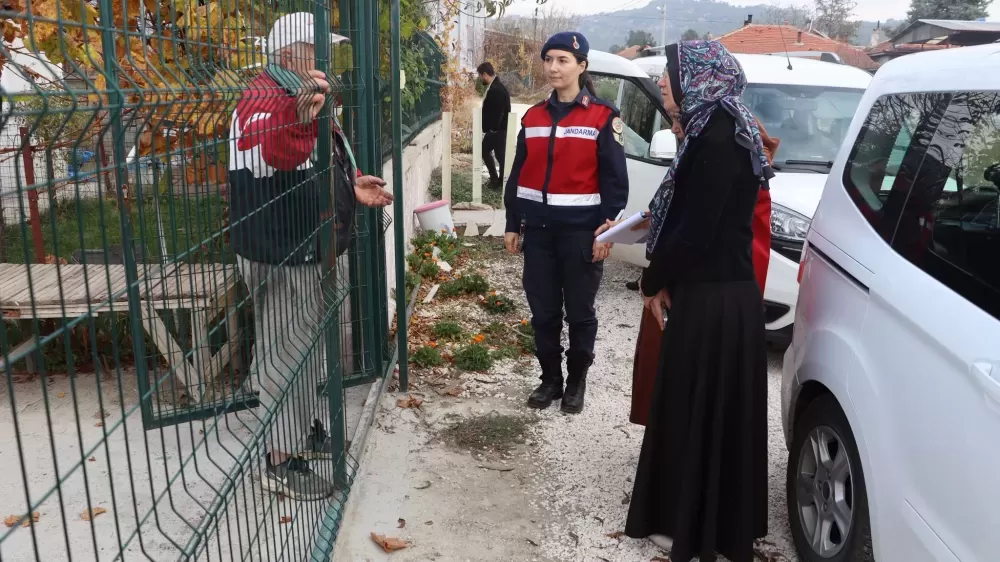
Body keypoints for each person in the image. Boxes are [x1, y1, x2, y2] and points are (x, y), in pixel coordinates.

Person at [228, 12, 394, 501]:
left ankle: (303, 428)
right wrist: (300, 119)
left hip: (309, 244)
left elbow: (325, 155)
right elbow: (276, 153)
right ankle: (280, 458)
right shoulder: (264, 99)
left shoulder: (301, 96)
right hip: (281, 249)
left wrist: (353, 181)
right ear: (287, 54)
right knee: (288, 352)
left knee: (307, 348)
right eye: (316, 50)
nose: (327, 59)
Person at [621, 40, 772, 561]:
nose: (665, 81)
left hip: (714, 301)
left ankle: (699, 527)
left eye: (671, 73)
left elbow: (695, 231)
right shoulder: (715, 127)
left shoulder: (719, 135)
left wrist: (651, 278)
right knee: (702, 412)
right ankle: (703, 520)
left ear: (701, 77)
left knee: (698, 411)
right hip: (717, 295)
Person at [503, 31, 629, 414]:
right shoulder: (534, 116)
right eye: (549, 60)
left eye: (563, 60)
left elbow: (615, 181)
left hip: (581, 234)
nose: (554, 67)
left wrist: (610, 228)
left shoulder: (604, 117)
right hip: (539, 233)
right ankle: (550, 380)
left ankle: (576, 382)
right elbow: (518, 173)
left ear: (581, 66)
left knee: (579, 312)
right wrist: (512, 222)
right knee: (543, 312)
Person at [628, 116, 779, 426]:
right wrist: (628, 227)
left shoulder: (733, 158)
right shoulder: (702, 147)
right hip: (681, 282)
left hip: (706, 295)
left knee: (696, 391)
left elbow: (700, 228)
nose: (674, 128)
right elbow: (672, 213)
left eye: (677, 119)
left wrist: (660, 276)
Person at [478, 62, 512, 190]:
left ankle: (497, 182)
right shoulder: (497, 86)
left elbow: (498, 112)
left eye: (481, 76)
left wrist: (492, 129)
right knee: (499, 155)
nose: (480, 79)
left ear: (485, 75)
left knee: (490, 152)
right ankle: (498, 182)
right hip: (499, 129)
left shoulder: (496, 89)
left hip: (497, 130)